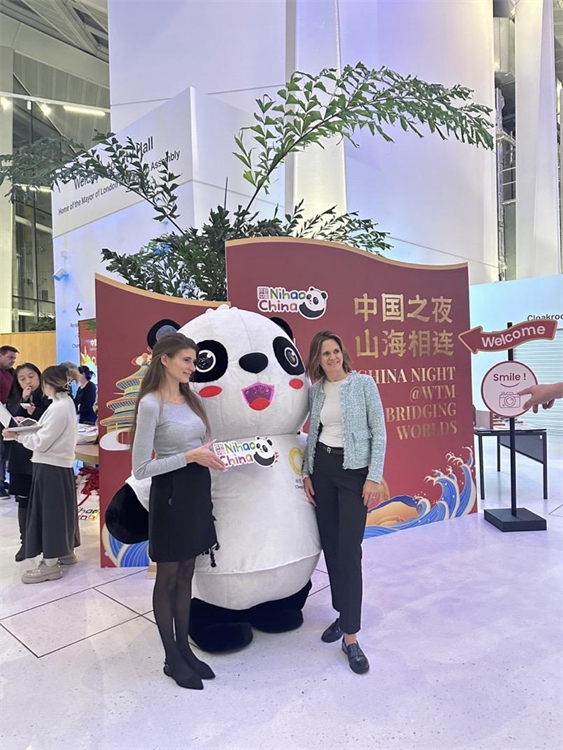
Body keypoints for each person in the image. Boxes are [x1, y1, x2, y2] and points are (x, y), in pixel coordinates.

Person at [131, 332, 226, 690]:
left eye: (194, 361)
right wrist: (189, 457)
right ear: (165, 360)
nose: (192, 367)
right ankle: (171, 657)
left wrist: (210, 453)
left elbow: (197, 446)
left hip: (197, 492)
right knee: (168, 576)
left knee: (187, 573)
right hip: (170, 496)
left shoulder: (192, 398)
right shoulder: (150, 404)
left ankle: (184, 650)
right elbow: (141, 468)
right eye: (186, 360)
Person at [302, 331, 386, 675]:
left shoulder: (363, 384)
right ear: (317, 359)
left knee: (350, 551)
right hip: (323, 469)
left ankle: (351, 636)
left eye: (335, 350)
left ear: (342, 353)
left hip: (353, 473)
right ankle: (342, 613)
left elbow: (379, 431)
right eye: (325, 353)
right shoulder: (317, 391)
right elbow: (312, 433)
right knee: (332, 548)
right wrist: (307, 472)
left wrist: (374, 476)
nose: (332, 357)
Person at [2, 365, 79, 583]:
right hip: (58, 465)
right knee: (60, 512)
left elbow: (42, 442)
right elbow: (47, 433)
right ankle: (65, 552)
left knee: (50, 514)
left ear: (47, 383)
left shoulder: (58, 407)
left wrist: (17, 436)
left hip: (50, 466)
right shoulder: (64, 403)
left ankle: (50, 565)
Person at [5, 363, 51, 561]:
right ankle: (26, 543)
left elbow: (51, 423)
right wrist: (23, 401)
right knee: (23, 499)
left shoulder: (49, 397)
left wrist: (35, 412)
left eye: (31, 376)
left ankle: (48, 542)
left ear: (39, 376)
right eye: (22, 378)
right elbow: (9, 421)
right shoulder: (15, 397)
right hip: (20, 456)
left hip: (43, 454)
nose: (27, 382)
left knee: (45, 500)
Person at [0, 345, 18, 499]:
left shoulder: (12, 373)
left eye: (14, 358)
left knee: (6, 450)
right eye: (10, 357)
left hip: (7, 415)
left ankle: (2, 479)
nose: (13, 361)